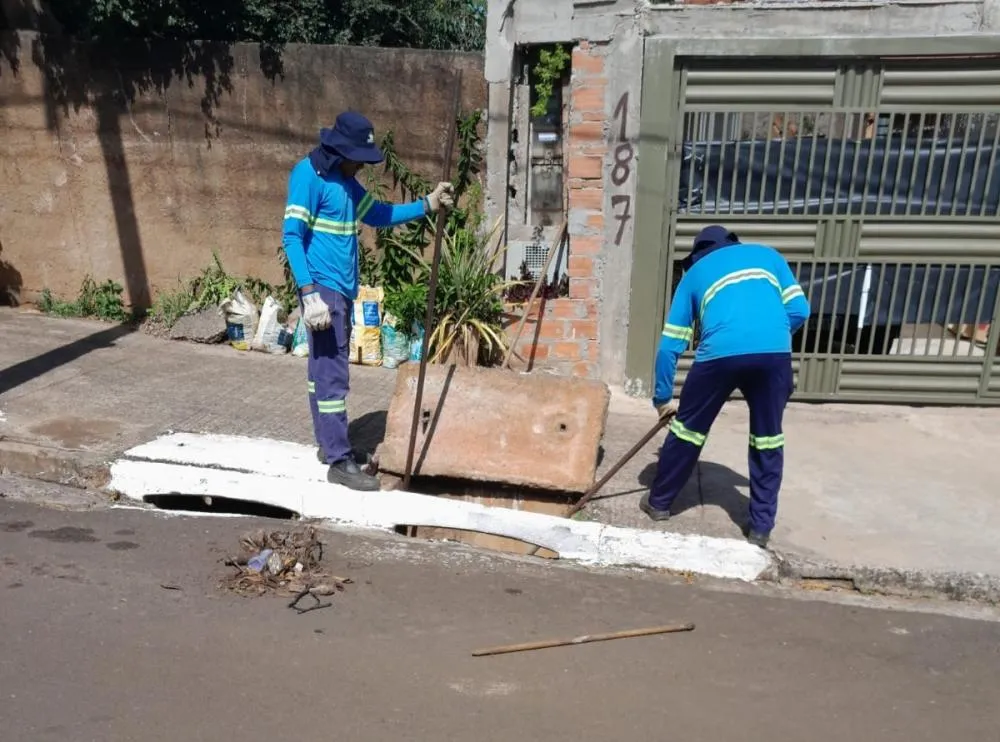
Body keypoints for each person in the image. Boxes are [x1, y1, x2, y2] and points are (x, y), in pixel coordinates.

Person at [282, 111, 454, 491]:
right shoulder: (309, 177)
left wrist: (427, 203)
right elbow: (292, 236)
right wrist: (309, 294)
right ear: (341, 149)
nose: (362, 163)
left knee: (321, 372)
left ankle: (330, 446)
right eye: (359, 155)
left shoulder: (344, 181)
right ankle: (339, 461)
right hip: (322, 290)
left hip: (340, 290)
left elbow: (377, 214)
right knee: (332, 374)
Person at [640, 225, 811, 548]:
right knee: (767, 437)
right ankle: (761, 527)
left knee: (688, 430)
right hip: (774, 354)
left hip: (718, 354)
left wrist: (662, 399)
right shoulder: (768, 256)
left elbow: (669, 346)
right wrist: (768, 333)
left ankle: (659, 503)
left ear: (698, 255)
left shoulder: (694, 275)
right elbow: (800, 310)